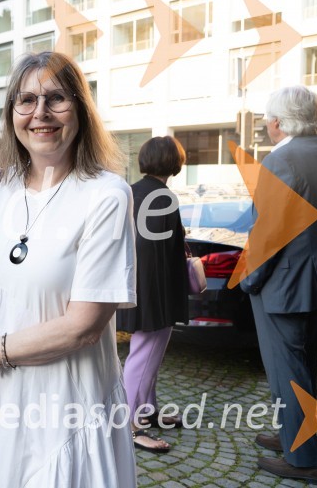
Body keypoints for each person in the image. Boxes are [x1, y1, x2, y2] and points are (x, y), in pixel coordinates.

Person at [0, 51, 137, 487]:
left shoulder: (105, 195)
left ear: (80, 110)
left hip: (67, 410)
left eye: (56, 99)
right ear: (12, 114)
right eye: (26, 100)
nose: (40, 113)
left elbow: (83, 326)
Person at [240, 86, 317, 486]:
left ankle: (304, 461)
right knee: (303, 367)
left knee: (287, 372)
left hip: (285, 286)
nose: (267, 125)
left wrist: (249, 280)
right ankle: (294, 436)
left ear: (279, 122)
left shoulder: (280, 160)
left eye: (268, 119)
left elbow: (267, 233)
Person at [115, 136, 189, 453]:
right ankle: (130, 426)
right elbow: (162, 251)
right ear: (174, 162)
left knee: (147, 356)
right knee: (144, 356)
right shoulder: (163, 196)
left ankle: (147, 411)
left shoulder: (131, 191)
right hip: (155, 292)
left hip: (134, 286)